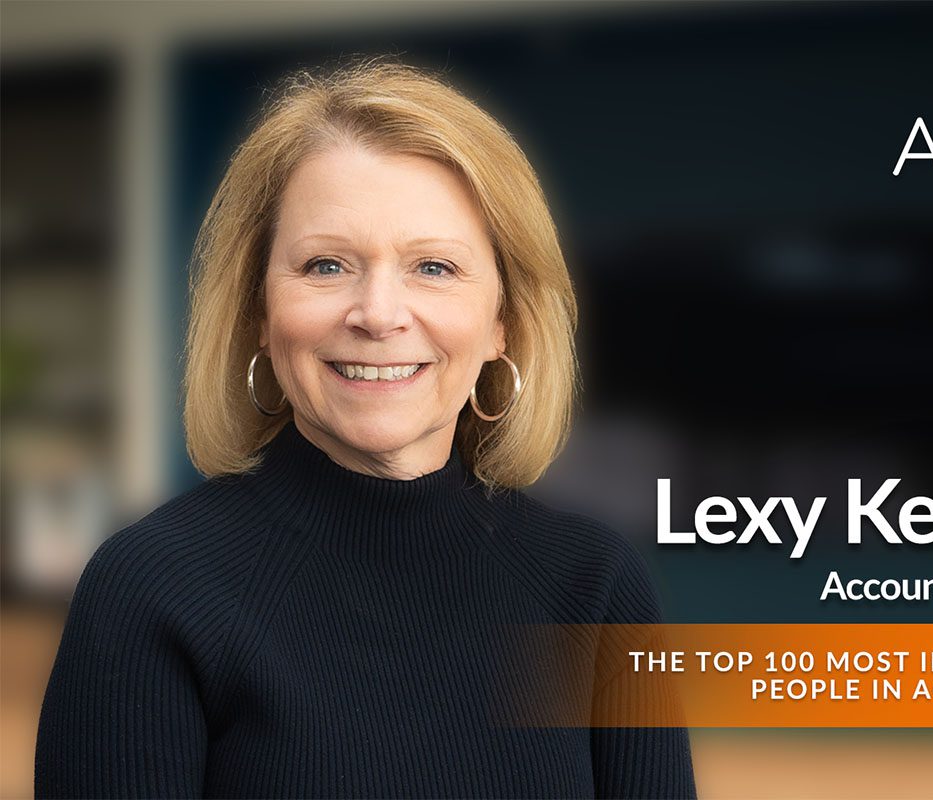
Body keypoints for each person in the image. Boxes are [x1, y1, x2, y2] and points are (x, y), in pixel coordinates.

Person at [34, 57, 697, 799]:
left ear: (502, 323)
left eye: (434, 268)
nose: (378, 314)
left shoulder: (596, 589)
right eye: (325, 265)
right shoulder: (151, 589)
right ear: (259, 309)